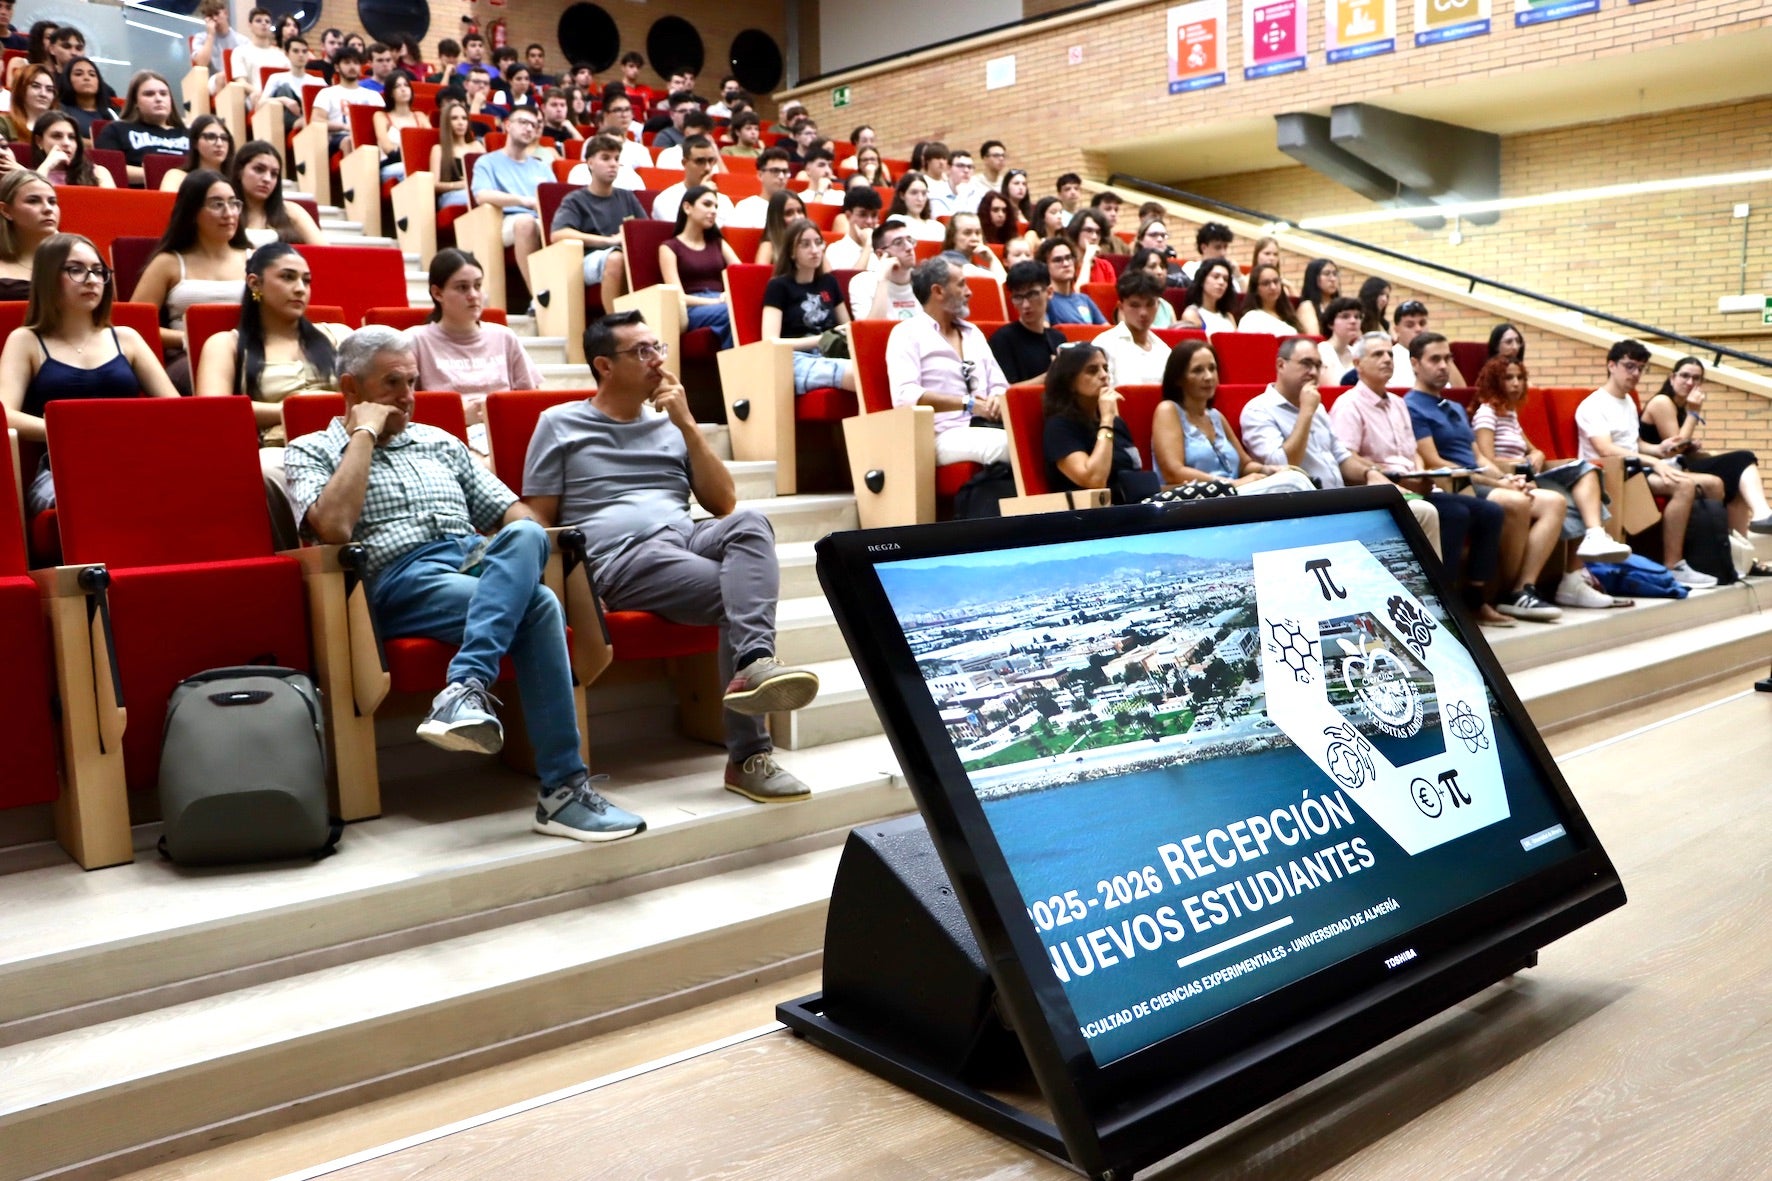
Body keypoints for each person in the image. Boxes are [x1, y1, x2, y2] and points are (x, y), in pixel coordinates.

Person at [287, 326, 644, 842]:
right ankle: (563, 791)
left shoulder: (440, 442)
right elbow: (335, 528)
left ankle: (463, 687)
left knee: (525, 534)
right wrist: (362, 434)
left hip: (477, 561)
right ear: (351, 388)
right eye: (391, 384)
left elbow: (513, 512)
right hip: (403, 578)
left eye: (412, 382)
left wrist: (545, 551)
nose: (407, 397)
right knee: (539, 605)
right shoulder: (311, 450)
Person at [522, 311, 820, 803]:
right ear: (604, 366)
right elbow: (539, 518)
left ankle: (754, 661)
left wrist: (685, 424)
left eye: (657, 346)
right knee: (740, 597)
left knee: (751, 523)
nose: (658, 359)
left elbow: (723, 504)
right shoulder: (559, 424)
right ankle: (749, 757)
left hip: (685, 534)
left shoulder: (671, 424)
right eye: (641, 351)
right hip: (619, 557)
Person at [1331, 331, 1516, 623]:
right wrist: (1394, 477)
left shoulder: (1398, 403)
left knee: (1489, 511)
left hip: (1413, 483)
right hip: (1381, 489)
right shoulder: (1349, 405)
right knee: (1454, 513)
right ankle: (1446, 602)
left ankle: (1476, 599)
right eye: (1377, 354)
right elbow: (1347, 459)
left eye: (1390, 354)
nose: (1386, 360)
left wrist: (1420, 471)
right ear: (1357, 363)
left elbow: (1412, 452)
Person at [0, 233, 180, 514]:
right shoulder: (26, 340)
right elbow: (4, 414)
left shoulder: (127, 338)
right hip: (62, 469)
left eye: (98, 271)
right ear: (48, 276)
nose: (91, 279)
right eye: (76, 269)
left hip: (135, 459)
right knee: (97, 499)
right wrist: (71, 432)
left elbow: (177, 410)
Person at [1407, 332, 1576, 615]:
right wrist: (1495, 482)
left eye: (1447, 358)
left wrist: (1505, 478)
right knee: (1518, 502)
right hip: (1457, 484)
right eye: (1434, 359)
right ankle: (1506, 593)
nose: (1443, 366)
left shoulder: (1455, 407)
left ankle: (1524, 587)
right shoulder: (1411, 406)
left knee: (1555, 502)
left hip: (1478, 478)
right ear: (1415, 364)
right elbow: (1435, 462)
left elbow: (1479, 456)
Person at [1237, 337, 1443, 549]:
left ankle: (1428, 583)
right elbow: (1284, 465)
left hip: (1341, 500)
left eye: (1318, 365)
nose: (1314, 372)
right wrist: (1305, 413)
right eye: (1306, 364)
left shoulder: (1316, 407)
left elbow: (1342, 456)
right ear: (1281, 365)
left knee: (1424, 511)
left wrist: (1369, 473)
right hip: (1304, 510)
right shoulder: (1259, 410)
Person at [1469, 354, 1634, 609]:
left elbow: (1534, 450)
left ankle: (1592, 540)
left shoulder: (1510, 415)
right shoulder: (1487, 413)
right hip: (1508, 479)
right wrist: (1519, 467)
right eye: (1508, 378)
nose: (1516, 383)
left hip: (1527, 474)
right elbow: (1486, 459)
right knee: (1582, 480)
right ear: (1494, 381)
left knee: (1588, 475)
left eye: (1520, 378)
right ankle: (1579, 561)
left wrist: (1536, 455)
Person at [196, 242, 348, 445]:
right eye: (287, 277)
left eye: (307, 280)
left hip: (349, 442)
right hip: (279, 449)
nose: (300, 289)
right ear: (255, 283)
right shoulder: (225, 344)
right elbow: (214, 410)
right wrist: (300, 410)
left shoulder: (338, 334)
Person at [131, 170, 249, 393]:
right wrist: (186, 338)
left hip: (249, 352)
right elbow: (135, 326)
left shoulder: (255, 259)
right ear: (193, 212)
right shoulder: (168, 262)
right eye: (217, 204)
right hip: (188, 356)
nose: (229, 213)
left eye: (234, 204)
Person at [885, 256, 1010, 466]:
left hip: (987, 425)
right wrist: (968, 404)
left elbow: (999, 384)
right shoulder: (906, 333)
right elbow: (904, 397)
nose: (969, 292)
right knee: (1008, 445)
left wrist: (997, 398)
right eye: (961, 284)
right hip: (940, 434)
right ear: (938, 291)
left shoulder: (973, 333)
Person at [1149, 340, 1315, 494]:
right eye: (1198, 370)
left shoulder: (1216, 416)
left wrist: (1269, 470)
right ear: (1178, 378)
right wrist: (1230, 484)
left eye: (1212, 369)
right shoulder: (1168, 410)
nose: (1208, 377)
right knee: (1293, 483)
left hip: (1232, 494)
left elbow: (1245, 465)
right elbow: (1173, 472)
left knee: (1291, 476)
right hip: (1198, 500)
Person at [410, 248, 542, 435]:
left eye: (478, 286)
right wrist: (459, 417)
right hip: (448, 435)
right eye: (462, 287)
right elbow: (404, 408)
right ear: (437, 293)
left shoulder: (504, 336)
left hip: (505, 432)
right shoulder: (415, 340)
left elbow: (531, 399)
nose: (473, 295)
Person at [1640, 355, 1772, 536]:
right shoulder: (1662, 402)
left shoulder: (1680, 406)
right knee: (1743, 458)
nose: (1689, 382)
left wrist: (1692, 447)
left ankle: (1741, 552)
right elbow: (1675, 447)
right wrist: (1694, 413)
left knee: (1736, 481)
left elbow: (1681, 447)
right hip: (1659, 469)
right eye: (1684, 376)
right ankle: (1762, 513)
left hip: (1677, 465)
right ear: (1672, 378)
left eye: (1696, 378)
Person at [1041, 343, 1158, 504]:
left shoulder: (1116, 423)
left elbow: (1135, 473)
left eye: (1105, 368)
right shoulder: (1059, 427)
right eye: (1092, 370)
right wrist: (1107, 420)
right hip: (1094, 517)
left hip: (1138, 505)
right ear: (1069, 382)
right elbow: (1094, 480)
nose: (1104, 375)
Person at [550, 134, 646, 314]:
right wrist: (607, 242)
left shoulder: (627, 196)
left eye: (616, 159)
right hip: (585, 260)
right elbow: (558, 234)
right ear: (590, 162)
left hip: (624, 253)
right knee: (615, 258)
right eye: (605, 158)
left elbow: (644, 230)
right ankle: (615, 323)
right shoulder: (575, 199)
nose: (613, 164)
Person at [762, 219, 855, 395]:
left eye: (818, 242)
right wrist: (821, 339)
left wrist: (839, 335)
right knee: (858, 374)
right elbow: (770, 342)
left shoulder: (829, 282)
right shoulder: (778, 286)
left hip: (831, 353)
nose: (814, 250)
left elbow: (848, 326)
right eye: (805, 245)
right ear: (791, 252)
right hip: (795, 359)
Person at [470, 107, 552, 298]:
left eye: (533, 125)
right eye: (523, 122)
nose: (529, 129)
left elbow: (554, 200)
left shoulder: (542, 167)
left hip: (540, 219)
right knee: (525, 223)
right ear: (508, 125)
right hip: (504, 220)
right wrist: (523, 201)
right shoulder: (487, 161)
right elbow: (481, 195)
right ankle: (538, 298)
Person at [659, 185, 737, 349]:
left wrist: (728, 294)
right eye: (707, 204)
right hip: (693, 308)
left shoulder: (718, 243)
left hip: (721, 301)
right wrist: (716, 301)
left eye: (716, 206)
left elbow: (742, 275)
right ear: (687, 207)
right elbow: (678, 297)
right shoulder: (669, 247)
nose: (714, 210)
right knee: (735, 313)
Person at [95, 71, 189, 186]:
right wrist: (166, 176)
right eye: (149, 94)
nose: (158, 99)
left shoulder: (190, 134)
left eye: (163, 94)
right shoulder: (116, 130)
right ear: (135, 102)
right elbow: (106, 170)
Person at [989, 260, 1065, 384]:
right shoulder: (1002, 339)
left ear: (1049, 292)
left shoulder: (1058, 338)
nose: (1025, 305)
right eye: (1018, 297)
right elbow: (1005, 392)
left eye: (1032, 294)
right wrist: (1050, 376)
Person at [1095, 270, 1171, 386]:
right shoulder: (1104, 344)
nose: (1143, 313)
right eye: (1135, 305)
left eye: (1150, 304)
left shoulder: (1164, 350)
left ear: (1158, 306)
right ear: (1121, 307)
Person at [0, 170, 59, 300]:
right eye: (33, 201)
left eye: (52, 201)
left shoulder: (75, 259)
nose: (48, 208)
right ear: (6, 210)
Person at [313, 47, 381, 153]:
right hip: (339, 137)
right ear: (337, 67)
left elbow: (384, 119)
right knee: (349, 140)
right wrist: (344, 127)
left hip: (369, 137)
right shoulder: (327, 93)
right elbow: (317, 121)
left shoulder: (373, 95)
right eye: (347, 63)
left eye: (356, 63)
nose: (352, 66)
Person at [849, 219, 919, 321]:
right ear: (881, 254)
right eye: (898, 242)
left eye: (910, 240)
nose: (909, 247)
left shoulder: (925, 280)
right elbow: (870, 331)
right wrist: (883, 279)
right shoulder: (862, 283)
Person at [30, 111, 114, 187]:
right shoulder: (31, 176)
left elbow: (111, 203)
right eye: (57, 136)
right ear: (39, 141)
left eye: (71, 137)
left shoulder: (98, 173)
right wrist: (47, 166)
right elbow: (32, 195)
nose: (66, 143)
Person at [374, 70, 430, 181]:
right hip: (392, 164)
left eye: (406, 85)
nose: (403, 89)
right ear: (390, 93)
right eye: (397, 86)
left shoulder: (420, 116)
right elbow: (387, 147)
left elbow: (430, 144)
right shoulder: (381, 116)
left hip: (418, 165)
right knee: (410, 171)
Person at [1037, 237, 1106, 325]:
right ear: (1045, 266)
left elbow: (1107, 331)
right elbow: (1044, 334)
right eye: (1058, 260)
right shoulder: (1044, 300)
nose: (1066, 264)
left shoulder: (1084, 299)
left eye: (1068, 258)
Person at [431, 99, 485, 211]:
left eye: (464, 118)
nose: (460, 122)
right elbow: (434, 185)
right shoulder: (439, 149)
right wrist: (461, 185)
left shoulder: (476, 146)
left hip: (477, 191)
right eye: (454, 118)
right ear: (446, 122)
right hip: (450, 196)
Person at [159, 114, 234, 191]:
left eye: (224, 138)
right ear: (195, 143)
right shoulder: (177, 177)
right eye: (211, 137)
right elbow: (167, 202)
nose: (219, 144)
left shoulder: (238, 180)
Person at [261, 37, 320, 133]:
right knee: (284, 88)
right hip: (287, 121)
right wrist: (283, 100)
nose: (301, 55)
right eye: (296, 51)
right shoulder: (277, 78)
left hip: (311, 117)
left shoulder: (318, 81)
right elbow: (260, 104)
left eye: (304, 51)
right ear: (287, 54)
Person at [231, 8, 289, 105]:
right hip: (256, 97)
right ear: (250, 25)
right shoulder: (240, 51)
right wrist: (263, 94)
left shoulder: (280, 54)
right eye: (258, 21)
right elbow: (241, 82)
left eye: (267, 21)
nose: (264, 23)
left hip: (282, 97)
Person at [55, 56, 117, 139]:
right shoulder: (60, 110)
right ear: (68, 80)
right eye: (78, 74)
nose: (86, 78)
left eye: (92, 75)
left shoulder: (111, 113)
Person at [823, 186, 881, 272]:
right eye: (862, 214)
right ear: (848, 216)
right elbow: (848, 282)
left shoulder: (884, 247)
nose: (869, 221)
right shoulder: (836, 250)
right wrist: (868, 245)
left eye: (874, 215)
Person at [1236, 263, 1302, 336]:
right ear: (1256, 289)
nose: (1273, 287)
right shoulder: (1251, 318)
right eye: (1266, 283)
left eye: (1276, 281)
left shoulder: (1289, 314)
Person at [1178, 256, 1237, 336]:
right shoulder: (1192, 314)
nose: (1221, 282)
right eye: (1216, 277)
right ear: (1202, 280)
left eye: (1225, 279)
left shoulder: (1229, 316)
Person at [188, 0, 247, 78]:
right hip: (213, 80)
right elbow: (201, 64)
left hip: (238, 78)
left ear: (226, 13)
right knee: (223, 76)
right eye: (210, 16)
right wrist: (210, 35)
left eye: (217, 13)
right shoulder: (200, 38)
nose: (215, 18)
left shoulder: (242, 40)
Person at [943, 211, 1006, 281]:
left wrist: (991, 259)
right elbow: (999, 282)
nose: (975, 238)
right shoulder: (944, 264)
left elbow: (1003, 287)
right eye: (967, 233)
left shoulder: (979, 268)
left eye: (978, 233)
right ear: (952, 237)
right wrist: (992, 260)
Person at [1315, 296, 1365, 384]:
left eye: (1357, 317)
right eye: (1345, 316)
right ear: (1330, 323)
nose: (1353, 321)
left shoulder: (1358, 353)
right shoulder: (1321, 351)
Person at [755, 189, 808, 267]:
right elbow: (759, 275)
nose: (797, 217)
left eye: (800, 211)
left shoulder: (812, 243)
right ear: (777, 218)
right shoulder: (768, 246)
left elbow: (827, 276)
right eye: (789, 213)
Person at [887, 171, 944, 242]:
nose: (920, 199)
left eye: (924, 193)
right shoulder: (896, 220)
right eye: (914, 193)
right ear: (902, 195)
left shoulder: (938, 227)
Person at [1127, 249, 1177, 328]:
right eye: (1152, 266)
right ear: (1138, 270)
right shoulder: (1129, 303)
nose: (1160, 272)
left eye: (1163, 267)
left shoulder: (1167, 307)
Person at [1067, 208, 1118, 284]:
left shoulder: (1105, 266)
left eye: (1098, 232)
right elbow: (1078, 295)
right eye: (1089, 230)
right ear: (1076, 231)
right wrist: (1087, 261)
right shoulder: (1067, 265)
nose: (1094, 237)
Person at [7, 63, 57, 141]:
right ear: (20, 90)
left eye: (49, 89)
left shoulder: (62, 129)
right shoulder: (5, 124)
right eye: (35, 86)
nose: (43, 94)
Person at [1301, 258, 1340, 336]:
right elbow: (1315, 337)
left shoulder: (1341, 304)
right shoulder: (1307, 306)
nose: (1333, 279)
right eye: (1326, 274)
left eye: (1335, 274)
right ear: (1313, 277)